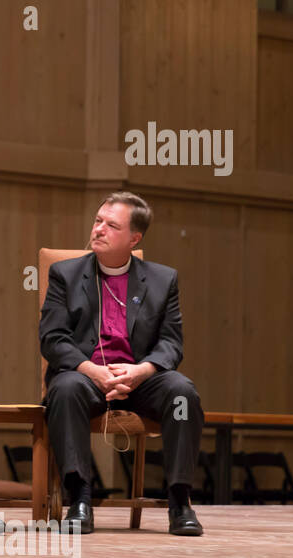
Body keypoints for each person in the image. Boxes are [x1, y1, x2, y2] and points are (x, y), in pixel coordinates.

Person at [39, 191, 204, 536]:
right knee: (65, 388)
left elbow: (172, 342)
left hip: (139, 379)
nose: (98, 229)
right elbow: (53, 338)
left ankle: (180, 501)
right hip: (86, 376)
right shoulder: (64, 275)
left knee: (182, 393)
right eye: (98, 221)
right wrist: (91, 370)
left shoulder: (162, 280)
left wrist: (142, 371)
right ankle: (80, 498)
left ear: (134, 238)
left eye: (110, 225)